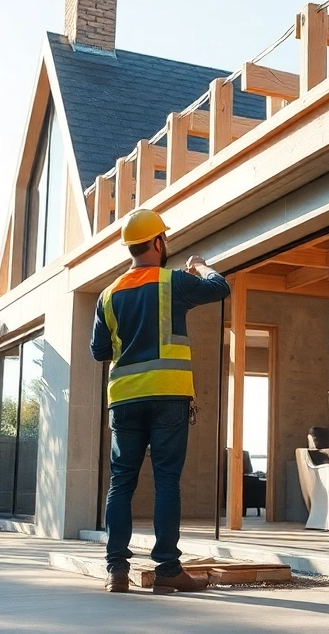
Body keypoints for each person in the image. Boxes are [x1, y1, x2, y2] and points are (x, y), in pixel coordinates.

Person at [91, 209, 230, 593]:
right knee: (167, 481)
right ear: (157, 242)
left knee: (121, 483)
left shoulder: (107, 295)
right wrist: (200, 266)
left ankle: (116, 570)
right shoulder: (175, 281)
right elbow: (220, 287)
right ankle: (167, 571)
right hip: (168, 396)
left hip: (124, 400)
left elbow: (99, 351)